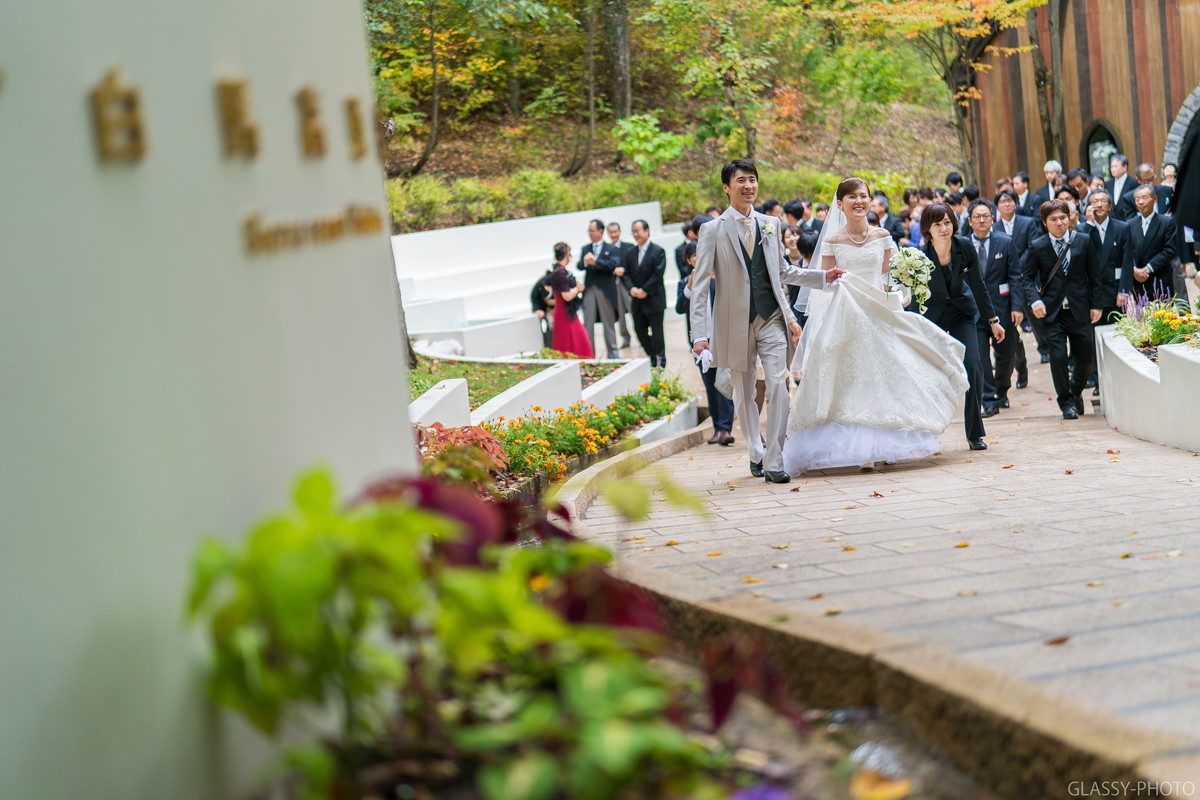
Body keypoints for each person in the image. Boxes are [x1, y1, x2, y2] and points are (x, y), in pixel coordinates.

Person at [781, 181, 975, 476]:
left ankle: (888, 443)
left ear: (870, 201)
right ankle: (859, 450)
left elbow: (889, 277)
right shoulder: (832, 240)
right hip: (846, 315)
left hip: (880, 312)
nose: (858, 202)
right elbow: (827, 284)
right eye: (851, 197)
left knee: (887, 376)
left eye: (863, 197)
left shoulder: (883, 235)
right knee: (853, 380)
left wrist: (902, 292)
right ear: (840, 204)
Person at [690, 159, 842, 484]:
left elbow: (784, 272)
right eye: (741, 180)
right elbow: (701, 284)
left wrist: (822, 277)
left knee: (779, 383)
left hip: (771, 316)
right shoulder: (712, 230)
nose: (748, 186)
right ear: (727, 188)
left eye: (752, 180)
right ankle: (756, 452)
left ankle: (775, 459)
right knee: (744, 394)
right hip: (733, 322)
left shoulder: (770, 224)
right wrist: (699, 335)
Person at [918, 203, 1006, 450]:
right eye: (937, 224)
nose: (943, 228)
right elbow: (915, 295)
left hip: (962, 314)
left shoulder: (965, 246)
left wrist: (993, 321)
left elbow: (978, 284)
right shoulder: (919, 256)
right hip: (932, 318)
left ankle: (975, 433)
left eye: (947, 222)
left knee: (974, 367)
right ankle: (926, 433)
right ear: (928, 229)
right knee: (928, 374)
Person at [1023, 200, 1103, 420]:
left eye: (1062, 218)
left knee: (1086, 358)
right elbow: (1026, 279)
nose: (1059, 223)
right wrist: (1035, 301)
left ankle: (1075, 392)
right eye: (1053, 219)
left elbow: (1094, 276)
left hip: (1080, 309)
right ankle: (1065, 403)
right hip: (1052, 311)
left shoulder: (1084, 241)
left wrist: (1096, 305)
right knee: (1057, 357)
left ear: (1070, 218)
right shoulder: (1037, 246)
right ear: (1045, 222)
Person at [965, 199, 1022, 418]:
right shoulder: (962, 245)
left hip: (1002, 308)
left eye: (985, 216)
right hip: (974, 311)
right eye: (977, 217)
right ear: (970, 221)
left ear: (992, 219)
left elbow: (1015, 276)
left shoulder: (1005, 242)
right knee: (980, 357)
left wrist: (1017, 307)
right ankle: (989, 399)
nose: (981, 220)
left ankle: (1001, 390)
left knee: (1007, 355)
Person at [681, 242, 736, 446]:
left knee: (723, 382)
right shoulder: (685, 282)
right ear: (688, 260)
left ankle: (725, 428)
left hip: (719, 339)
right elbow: (680, 306)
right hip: (699, 343)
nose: (698, 258)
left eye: (701, 253)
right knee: (710, 386)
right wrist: (689, 285)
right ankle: (717, 428)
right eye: (694, 255)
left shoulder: (717, 278)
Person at [1081, 188, 1135, 396]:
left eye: (1103, 201)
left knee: (1116, 334)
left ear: (1110, 206)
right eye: (1094, 201)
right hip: (1092, 293)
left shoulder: (1122, 228)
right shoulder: (1084, 229)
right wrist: (1088, 224)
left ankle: (1119, 377)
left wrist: (1124, 290)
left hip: (1115, 290)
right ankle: (1098, 381)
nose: (1099, 205)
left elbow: (1127, 260)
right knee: (1094, 338)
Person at [622, 219, 668, 367]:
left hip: (654, 298)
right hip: (637, 300)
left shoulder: (658, 251)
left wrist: (644, 290)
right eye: (633, 231)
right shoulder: (630, 253)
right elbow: (625, 274)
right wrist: (632, 289)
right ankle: (651, 354)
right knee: (639, 330)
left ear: (647, 231)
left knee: (657, 331)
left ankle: (660, 357)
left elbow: (657, 274)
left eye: (638, 230)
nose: (636, 234)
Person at [1121, 184, 1178, 302]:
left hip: (1160, 277)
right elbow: (1126, 251)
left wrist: (1147, 269)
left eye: (1144, 197)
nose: (1140, 202)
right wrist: (1134, 270)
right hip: (1138, 280)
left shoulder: (1167, 222)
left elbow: (1170, 250)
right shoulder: (1129, 224)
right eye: (1137, 199)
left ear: (1155, 199)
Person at [576, 219, 623, 357]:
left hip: (606, 290)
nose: (589, 233)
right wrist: (585, 262)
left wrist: (595, 261)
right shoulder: (585, 248)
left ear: (600, 231)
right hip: (590, 289)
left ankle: (613, 354)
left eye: (592, 230)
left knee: (608, 323)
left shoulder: (611, 248)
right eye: (589, 231)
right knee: (588, 323)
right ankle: (589, 355)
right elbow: (579, 266)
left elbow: (612, 265)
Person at [548, 243, 593, 358]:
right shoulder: (560, 272)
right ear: (567, 255)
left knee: (573, 342)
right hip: (565, 313)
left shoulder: (558, 270)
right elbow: (566, 296)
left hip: (565, 312)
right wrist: (578, 289)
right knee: (576, 342)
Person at [606, 222, 636, 349]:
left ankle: (641, 335)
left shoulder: (629, 247)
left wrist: (624, 270)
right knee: (620, 313)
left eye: (615, 232)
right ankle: (625, 338)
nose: (613, 234)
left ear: (619, 231)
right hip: (612, 285)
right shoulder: (605, 249)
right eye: (611, 232)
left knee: (634, 310)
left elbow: (633, 265)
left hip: (627, 284)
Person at [529, 268, 556, 348]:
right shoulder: (540, 285)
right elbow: (534, 298)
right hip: (543, 308)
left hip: (553, 308)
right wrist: (537, 309)